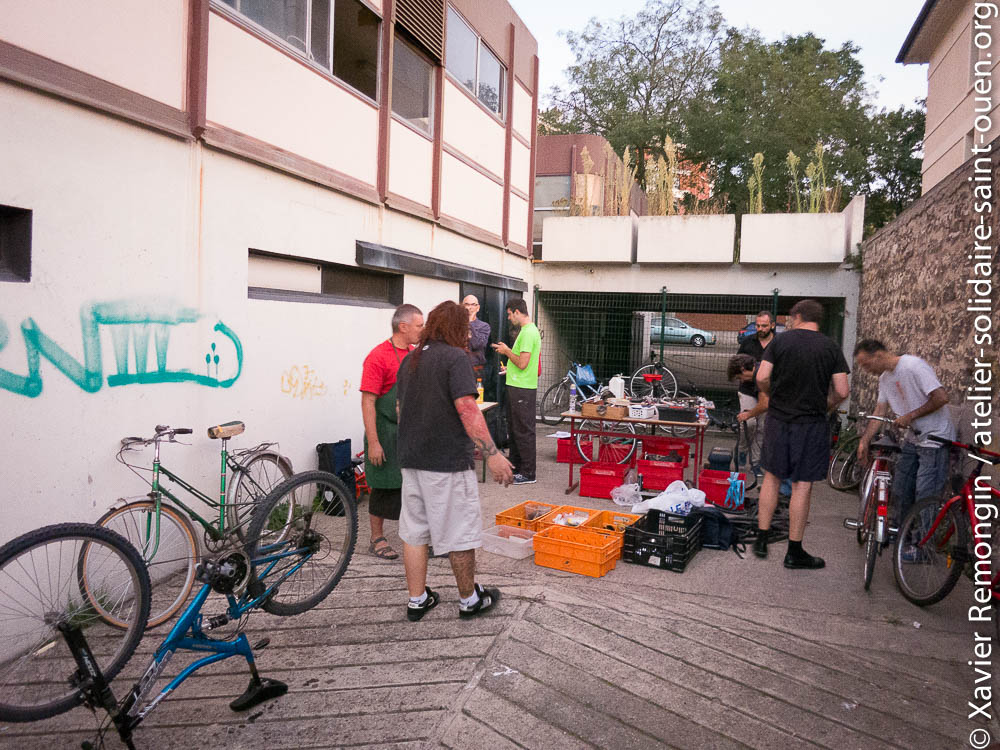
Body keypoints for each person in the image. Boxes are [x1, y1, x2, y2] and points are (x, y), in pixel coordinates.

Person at [395, 301, 514, 622]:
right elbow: (467, 408)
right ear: (455, 329)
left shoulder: (411, 360)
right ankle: (469, 599)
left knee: (415, 532)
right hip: (445, 461)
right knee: (460, 531)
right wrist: (494, 456)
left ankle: (417, 600)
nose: (468, 335)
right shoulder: (455, 358)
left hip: (411, 458)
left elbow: (399, 411)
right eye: (465, 329)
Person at [753, 299, 850, 569]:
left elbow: (761, 377)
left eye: (790, 318)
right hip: (811, 424)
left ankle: (761, 538)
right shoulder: (830, 346)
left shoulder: (780, 343)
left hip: (779, 420)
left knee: (771, 477)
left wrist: (775, 395)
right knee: (802, 485)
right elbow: (842, 390)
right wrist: (825, 405)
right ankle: (794, 552)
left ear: (798, 316)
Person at [853, 339, 954, 526]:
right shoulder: (885, 379)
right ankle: (902, 538)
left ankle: (922, 546)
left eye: (866, 365)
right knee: (901, 487)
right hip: (913, 438)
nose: (867, 371)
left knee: (925, 493)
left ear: (878, 355)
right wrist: (864, 441)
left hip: (935, 438)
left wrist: (911, 415)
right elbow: (879, 411)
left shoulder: (913, 366)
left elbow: (941, 397)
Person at [360, 303, 424, 560]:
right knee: (382, 486)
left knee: (412, 487)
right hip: (384, 432)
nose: (423, 330)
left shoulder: (413, 354)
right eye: (419, 325)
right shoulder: (377, 356)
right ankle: (376, 538)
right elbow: (368, 401)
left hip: (407, 432)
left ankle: (416, 538)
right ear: (403, 327)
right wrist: (374, 442)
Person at [491, 299, 541, 485]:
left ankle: (528, 473)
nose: (509, 317)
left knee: (523, 431)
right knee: (515, 429)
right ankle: (518, 467)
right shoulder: (527, 331)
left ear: (517, 312)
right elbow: (521, 364)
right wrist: (509, 368)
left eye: (510, 314)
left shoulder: (528, 332)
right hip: (518, 385)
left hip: (523, 389)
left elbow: (522, 362)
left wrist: (506, 351)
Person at [727, 353, 769, 474]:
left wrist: (748, 414)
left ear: (743, 369)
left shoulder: (762, 374)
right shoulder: (747, 381)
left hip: (763, 395)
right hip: (747, 393)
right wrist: (749, 415)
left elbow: (764, 404)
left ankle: (756, 462)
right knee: (749, 424)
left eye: (740, 378)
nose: (741, 381)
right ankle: (742, 450)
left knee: (762, 427)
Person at [463, 295, 491, 380]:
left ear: (478, 308)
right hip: (459, 367)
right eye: (466, 304)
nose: (469, 308)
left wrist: (469, 322)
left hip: (476, 370)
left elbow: (476, 344)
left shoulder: (484, 326)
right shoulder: (456, 324)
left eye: (473, 305)